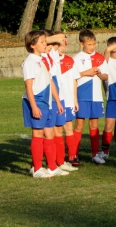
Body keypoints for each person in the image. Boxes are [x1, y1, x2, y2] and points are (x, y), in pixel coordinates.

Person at [22, 30, 68, 178]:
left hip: (48, 103)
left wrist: (58, 101)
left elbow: (50, 82)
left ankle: (52, 167)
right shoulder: (29, 62)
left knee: (49, 134)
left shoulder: (42, 59)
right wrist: (34, 106)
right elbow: (29, 87)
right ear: (32, 45)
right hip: (37, 101)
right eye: (42, 42)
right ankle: (36, 169)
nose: (45, 44)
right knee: (38, 134)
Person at [73, 29, 109, 165]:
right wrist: (86, 72)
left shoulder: (100, 58)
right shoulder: (76, 58)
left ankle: (95, 154)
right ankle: (74, 154)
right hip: (82, 95)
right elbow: (73, 76)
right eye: (89, 44)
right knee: (79, 124)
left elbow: (106, 76)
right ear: (81, 44)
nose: (92, 47)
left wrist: (100, 74)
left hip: (96, 96)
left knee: (94, 124)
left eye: (94, 44)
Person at [52, 40, 80, 171]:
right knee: (56, 129)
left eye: (64, 46)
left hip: (68, 100)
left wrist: (75, 99)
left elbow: (74, 80)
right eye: (60, 46)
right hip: (57, 100)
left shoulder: (70, 60)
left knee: (69, 127)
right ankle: (58, 159)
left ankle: (72, 157)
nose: (62, 48)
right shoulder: (52, 60)